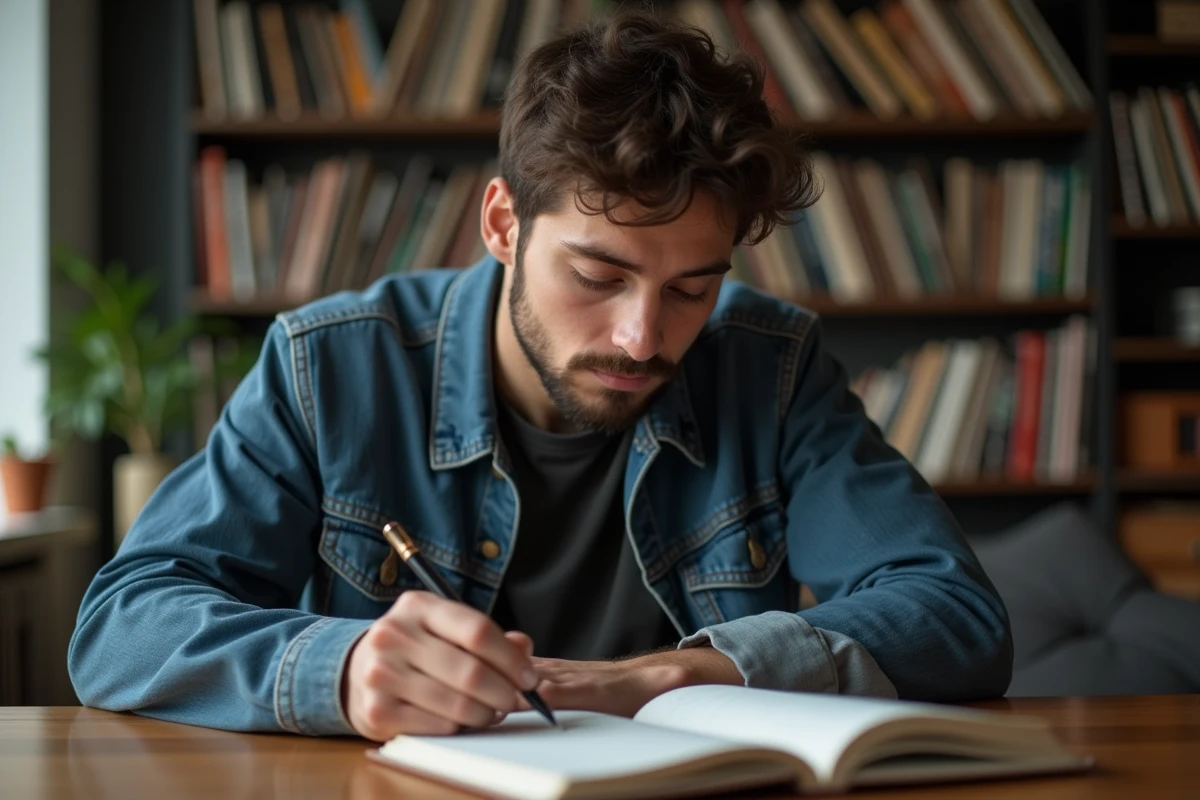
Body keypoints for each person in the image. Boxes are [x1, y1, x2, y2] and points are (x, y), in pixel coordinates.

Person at [69, 10, 1011, 741]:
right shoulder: (332, 367)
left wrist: (674, 675)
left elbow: (957, 617)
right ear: (503, 226)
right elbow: (123, 623)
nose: (644, 338)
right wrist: (343, 668)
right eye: (599, 277)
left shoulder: (770, 367)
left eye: (692, 288)